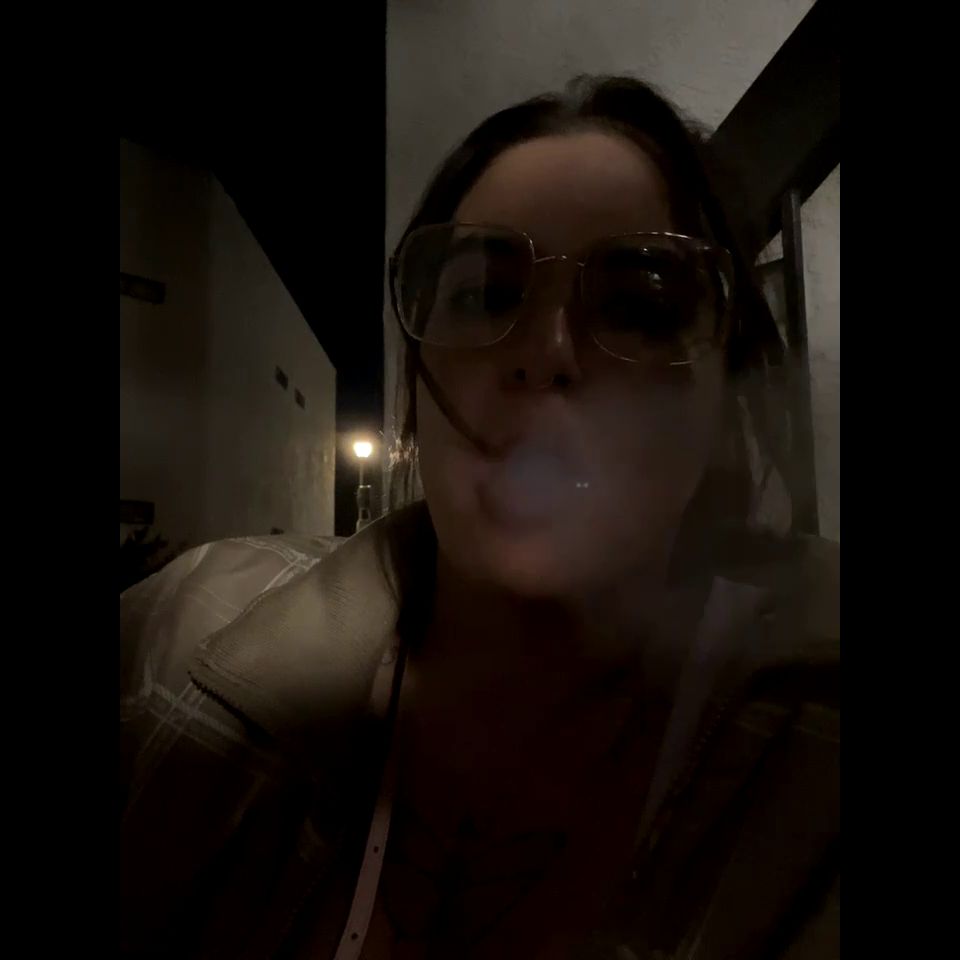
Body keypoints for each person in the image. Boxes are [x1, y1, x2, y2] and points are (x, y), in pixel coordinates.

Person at [120, 75, 839, 960]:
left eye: (638, 308)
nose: (545, 354)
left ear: (727, 401)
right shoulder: (172, 642)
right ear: (417, 387)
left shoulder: (815, 747)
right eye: (488, 296)